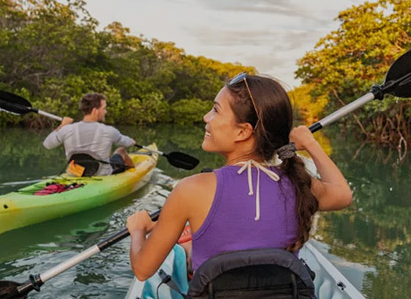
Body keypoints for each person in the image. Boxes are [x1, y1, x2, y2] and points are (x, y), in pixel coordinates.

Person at [126, 73, 353, 281]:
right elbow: (342, 195)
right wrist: (311, 144)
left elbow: (143, 270)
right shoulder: (298, 183)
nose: (206, 118)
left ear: (242, 131)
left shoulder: (190, 189)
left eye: (215, 110)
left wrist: (138, 230)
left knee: (186, 249)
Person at [43, 92, 135, 176]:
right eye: (104, 108)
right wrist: (132, 141)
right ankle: (134, 174)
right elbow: (126, 143)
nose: (105, 112)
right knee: (121, 150)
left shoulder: (67, 129)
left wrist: (62, 125)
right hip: (102, 175)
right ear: (95, 110)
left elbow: (47, 144)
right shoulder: (109, 131)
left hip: (76, 174)